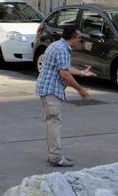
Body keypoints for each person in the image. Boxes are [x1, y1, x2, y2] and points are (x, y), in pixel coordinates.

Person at [36, 25, 96, 167]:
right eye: (79, 38)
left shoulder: (57, 45)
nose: (80, 40)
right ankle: (56, 156)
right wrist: (80, 89)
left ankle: (54, 154)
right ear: (73, 38)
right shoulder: (62, 49)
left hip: (47, 88)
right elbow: (64, 74)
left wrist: (82, 73)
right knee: (54, 122)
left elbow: (66, 67)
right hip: (51, 90)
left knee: (52, 121)